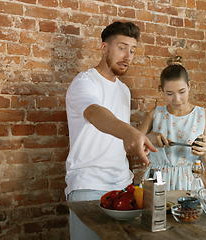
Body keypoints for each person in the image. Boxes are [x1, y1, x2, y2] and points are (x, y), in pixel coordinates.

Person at [65, 21, 156, 240]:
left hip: (124, 187)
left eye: (132, 50)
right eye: (122, 47)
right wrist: (129, 133)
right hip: (89, 186)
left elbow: (115, 136)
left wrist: (142, 138)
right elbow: (96, 114)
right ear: (104, 48)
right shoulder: (84, 83)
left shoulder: (124, 90)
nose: (128, 56)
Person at [138, 56, 206, 191]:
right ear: (161, 90)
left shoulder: (203, 115)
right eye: (169, 93)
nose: (177, 99)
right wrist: (148, 138)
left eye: (182, 92)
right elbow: (133, 146)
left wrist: (205, 152)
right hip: (156, 181)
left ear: (189, 86)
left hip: (189, 184)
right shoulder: (155, 114)